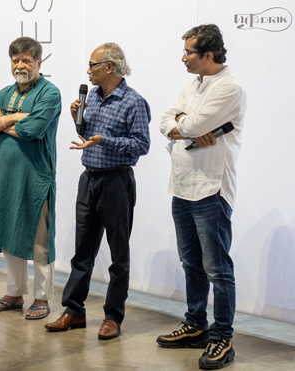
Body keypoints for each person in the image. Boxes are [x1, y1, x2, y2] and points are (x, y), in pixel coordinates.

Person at [45, 43, 151, 340]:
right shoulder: (91, 96)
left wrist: (106, 140)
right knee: (83, 250)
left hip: (117, 181)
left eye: (92, 65)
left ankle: (113, 317)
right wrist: (76, 119)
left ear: (109, 67)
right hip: (88, 179)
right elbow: (86, 136)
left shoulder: (134, 102)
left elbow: (141, 145)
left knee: (118, 254)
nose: (88, 71)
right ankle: (74, 310)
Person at [156, 24, 247, 370]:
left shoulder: (229, 88)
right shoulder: (193, 85)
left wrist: (184, 125)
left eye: (188, 52)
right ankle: (196, 325)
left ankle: (222, 337)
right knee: (191, 262)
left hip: (211, 188)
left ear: (208, 55)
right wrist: (182, 122)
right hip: (182, 186)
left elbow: (192, 127)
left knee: (217, 268)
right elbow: (166, 121)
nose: (183, 58)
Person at [0, 37, 61, 321]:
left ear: (39, 62)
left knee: (39, 240)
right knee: (7, 232)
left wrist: (2, 121)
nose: (20, 66)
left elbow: (32, 130)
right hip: (5, 175)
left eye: (26, 60)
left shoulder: (50, 93)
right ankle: (14, 294)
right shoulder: (5, 93)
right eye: (16, 60)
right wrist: (15, 118)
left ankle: (42, 297)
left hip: (36, 176)